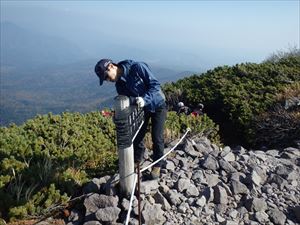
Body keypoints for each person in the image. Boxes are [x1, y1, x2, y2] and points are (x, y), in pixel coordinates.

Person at [94, 59, 167, 179]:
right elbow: (127, 102)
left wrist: (145, 99)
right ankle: (136, 161)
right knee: (137, 136)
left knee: (157, 137)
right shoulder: (120, 84)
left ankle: (158, 164)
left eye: (106, 77)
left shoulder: (137, 68)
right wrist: (119, 115)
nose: (108, 80)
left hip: (158, 104)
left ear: (111, 66)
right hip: (143, 108)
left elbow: (155, 85)